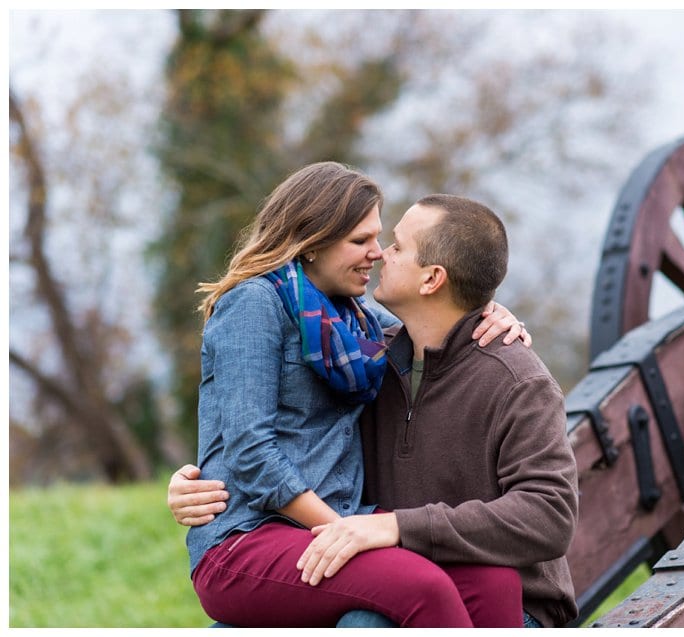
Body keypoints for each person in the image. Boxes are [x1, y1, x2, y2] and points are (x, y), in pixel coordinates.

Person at [171, 193, 580, 627]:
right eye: (366, 240)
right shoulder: (364, 359)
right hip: (381, 558)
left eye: (397, 246)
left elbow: (550, 515)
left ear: (432, 280)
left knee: (447, 595)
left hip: (517, 601)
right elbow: (253, 431)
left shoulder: (515, 378)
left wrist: (393, 529)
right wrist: (197, 479)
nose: (381, 253)